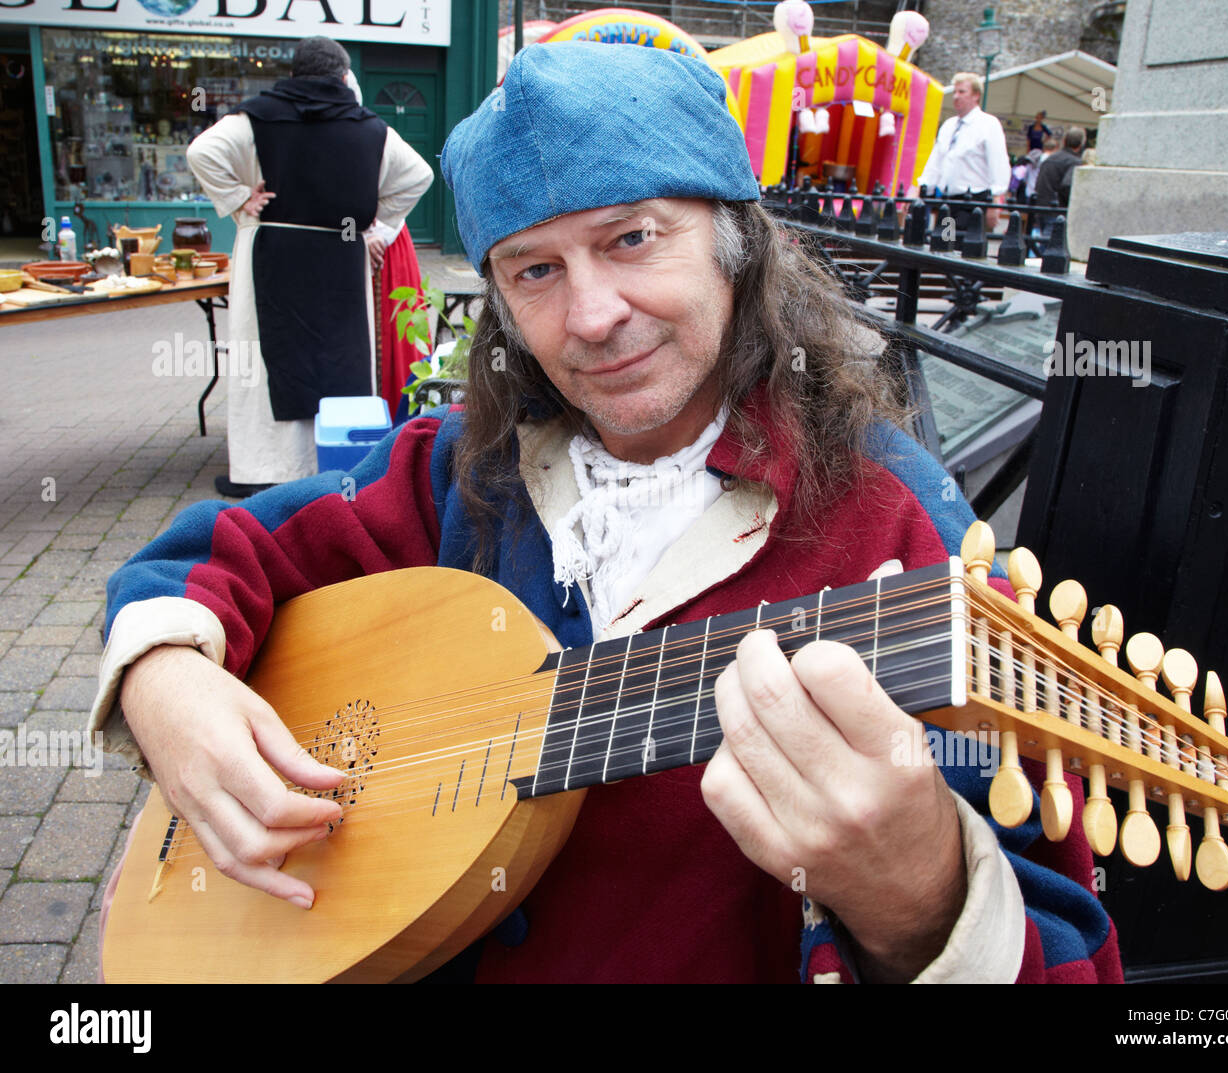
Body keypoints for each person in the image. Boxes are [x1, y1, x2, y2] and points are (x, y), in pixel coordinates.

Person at [92, 43, 1119, 984]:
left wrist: (922, 900)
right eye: (535, 270)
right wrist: (166, 678)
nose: (589, 315)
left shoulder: (901, 533)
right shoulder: (464, 470)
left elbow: (1068, 953)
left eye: (631, 239)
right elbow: (223, 548)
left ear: (733, 244)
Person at [186, 36, 433, 498]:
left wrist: (241, 198)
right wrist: (380, 227)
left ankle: (262, 470)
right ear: (343, 76)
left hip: (271, 251)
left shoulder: (256, 116)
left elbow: (202, 152)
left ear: (295, 74)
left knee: (263, 363)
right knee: (340, 358)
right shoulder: (370, 127)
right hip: (339, 252)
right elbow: (418, 174)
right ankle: (337, 464)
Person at [912, 72, 1011, 237]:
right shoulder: (949, 125)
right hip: (949, 201)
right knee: (944, 245)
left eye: (962, 92)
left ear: (976, 96)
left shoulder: (988, 124)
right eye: (955, 92)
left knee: (965, 251)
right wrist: (922, 187)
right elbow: (936, 161)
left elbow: (999, 163)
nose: (956, 97)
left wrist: (995, 203)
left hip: (974, 202)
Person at [1036, 126, 1086, 210]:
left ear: (1064, 141)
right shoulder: (1075, 162)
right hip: (1058, 209)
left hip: (1042, 206)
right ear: (1081, 144)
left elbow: (1038, 183)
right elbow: (1067, 185)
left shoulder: (1050, 158)